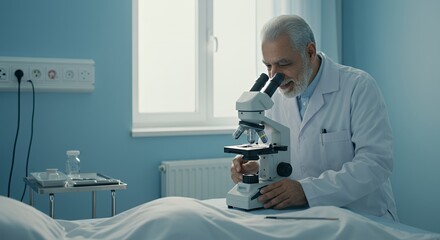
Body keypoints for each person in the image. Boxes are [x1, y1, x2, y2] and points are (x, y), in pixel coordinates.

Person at [230, 15, 398, 221]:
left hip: (362, 216)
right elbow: (278, 153)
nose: (274, 76)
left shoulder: (358, 87)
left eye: (283, 64)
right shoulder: (276, 96)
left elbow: (375, 164)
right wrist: (255, 167)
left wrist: (307, 191)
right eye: (268, 66)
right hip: (305, 218)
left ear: (310, 52)